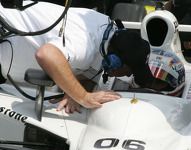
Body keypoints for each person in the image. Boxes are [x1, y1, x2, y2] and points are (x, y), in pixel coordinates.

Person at [0, 1, 150, 113]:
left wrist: (72, 91)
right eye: (129, 71)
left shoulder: (107, 32)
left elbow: (89, 72)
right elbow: (46, 54)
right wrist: (83, 97)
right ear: (116, 62)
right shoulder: (85, 43)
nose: (128, 75)